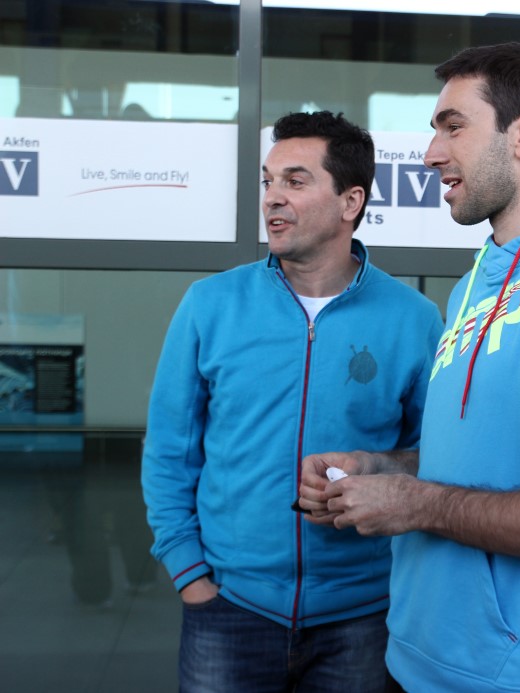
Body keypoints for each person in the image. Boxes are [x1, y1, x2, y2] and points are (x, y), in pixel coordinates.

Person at [296, 42, 520, 692]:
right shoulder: (478, 280)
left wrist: (415, 504)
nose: (430, 153)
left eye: (453, 127)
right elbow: (483, 458)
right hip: (420, 659)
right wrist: (382, 470)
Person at [141, 111, 443, 692]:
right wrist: (190, 575)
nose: (273, 197)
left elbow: (436, 456)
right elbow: (169, 451)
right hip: (229, 606)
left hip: (363, 616)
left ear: (351, 201)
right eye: (268, 181)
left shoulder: (414, 319)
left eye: (295, 181)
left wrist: (375, 468)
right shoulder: (210, 304)